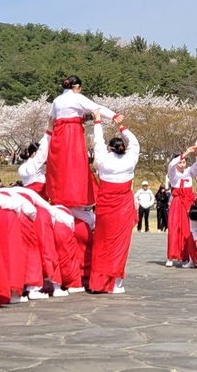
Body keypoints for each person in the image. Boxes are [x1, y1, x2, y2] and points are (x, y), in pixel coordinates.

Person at [46, 75, 124, 208]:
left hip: (57, 136)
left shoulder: (57, 100)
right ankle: (75, 197)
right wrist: (114, 115)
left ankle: (58, 198)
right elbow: (96, 108)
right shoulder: (76, 97)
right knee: (76, 165)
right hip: (71, 134)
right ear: (76, 87)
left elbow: (51, 118)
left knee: (59, 167)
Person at [88, 110, 139, 294]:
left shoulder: (103, 159)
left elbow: (97, 141)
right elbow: (134, 141)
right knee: (120, 245)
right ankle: (116, 283)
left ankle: (98, 283)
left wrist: (98, 120)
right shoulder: (130, 159)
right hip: (123, 206)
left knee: (102, 243)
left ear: (109, 148)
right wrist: (121, 125)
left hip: (105, 206)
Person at [165, 146, 197, 267]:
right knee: (174, 227)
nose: (182, 164)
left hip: (189, 202)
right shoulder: (172, 173)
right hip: (177, 203)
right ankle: (171, 256)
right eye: (180, 162)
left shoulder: (189, 172)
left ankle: (188, 256)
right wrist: (186, 152)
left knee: (189, 229)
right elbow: (171, 164)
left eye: (183, 162)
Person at [18, 119, 54, 199]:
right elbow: (43, 148)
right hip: (38, 192)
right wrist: (49, 128)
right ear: (34, 153)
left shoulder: (24, 164)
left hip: (27, 193)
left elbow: (41, 145)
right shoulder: (35, 162)